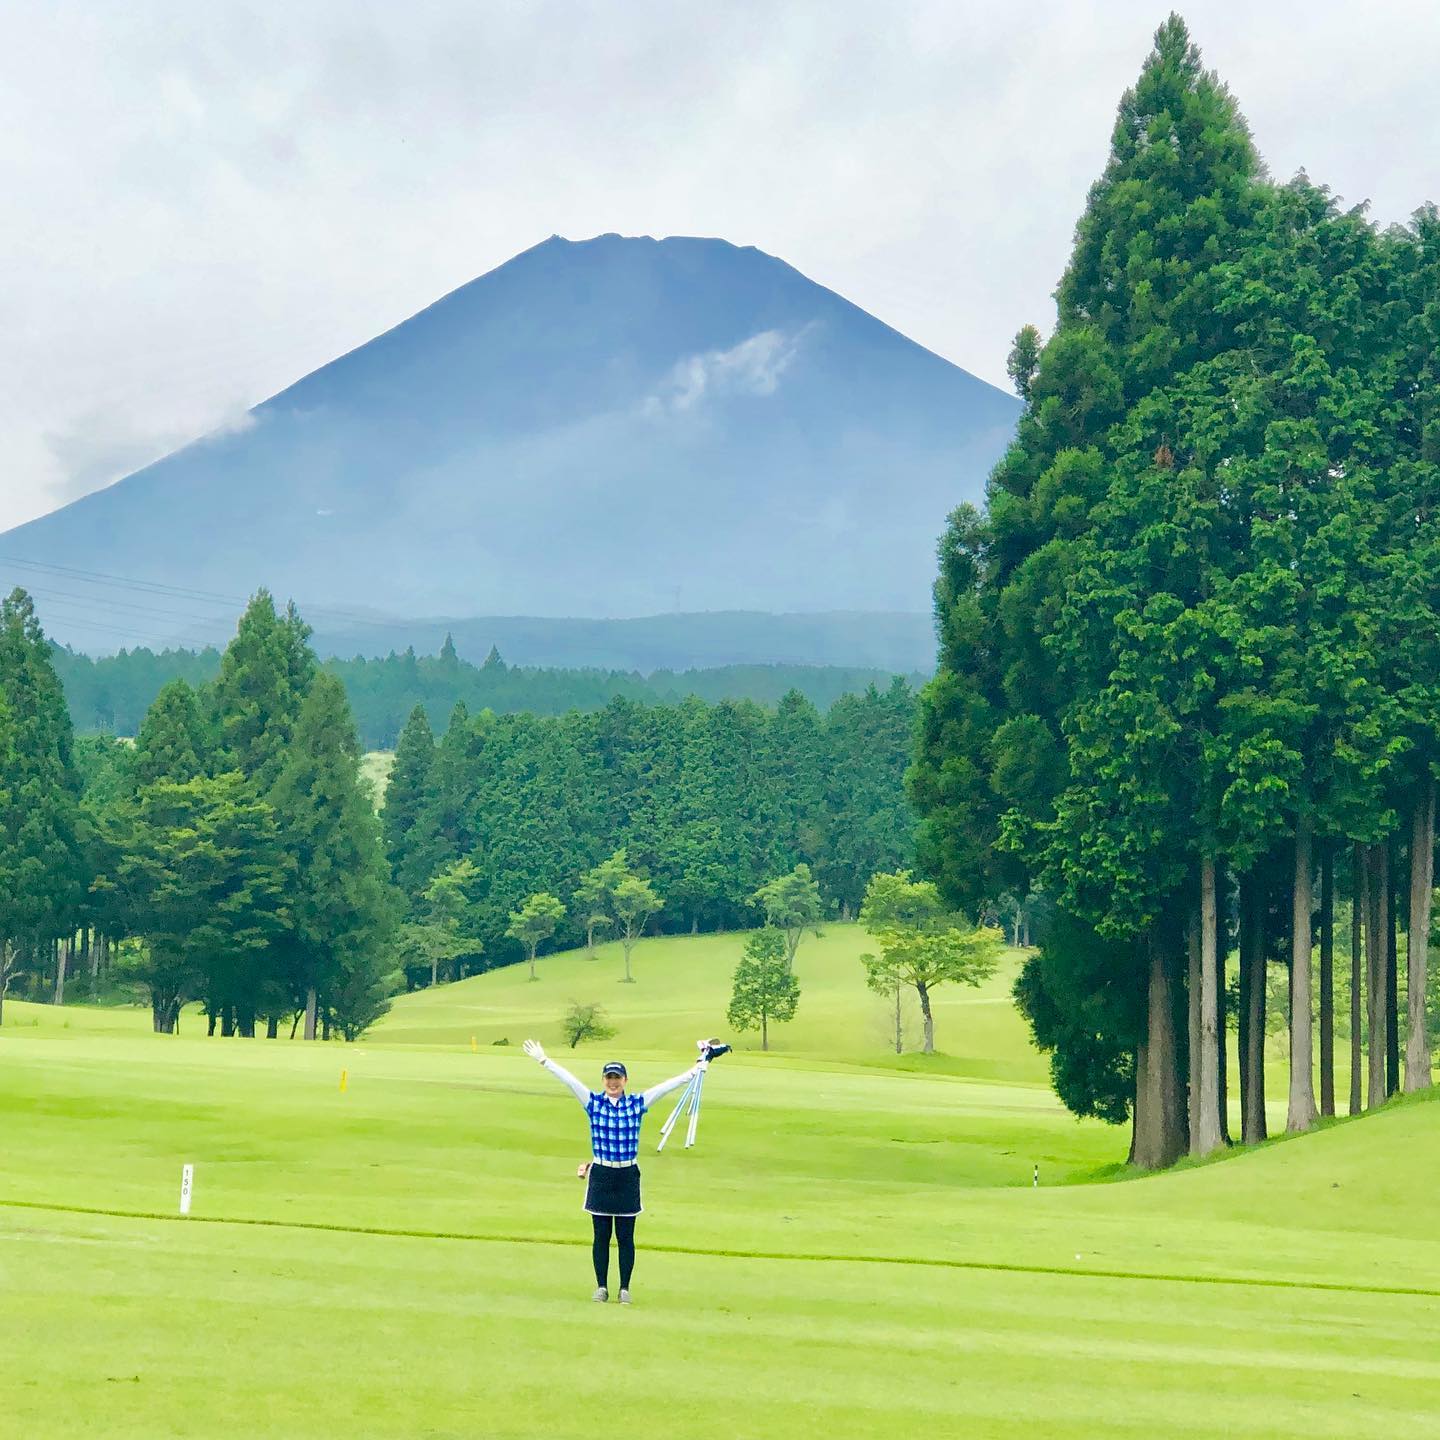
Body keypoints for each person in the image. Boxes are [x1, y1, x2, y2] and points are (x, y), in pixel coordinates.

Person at [522, 1038, 701, 1304]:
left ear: (625, 1080)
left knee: (626, 1237)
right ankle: (602, 1287)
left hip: (627, 1174)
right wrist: (544, 1060)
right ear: (603, 1080)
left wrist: (694, 1071)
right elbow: (570, 1082)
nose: (613, 1083)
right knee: (601, 1235)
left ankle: (625, 1288)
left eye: (617, 1078)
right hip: (602, 1175)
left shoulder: (637, 1104)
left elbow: (666, 1087)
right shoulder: (593, 1102)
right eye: (609, 1078)